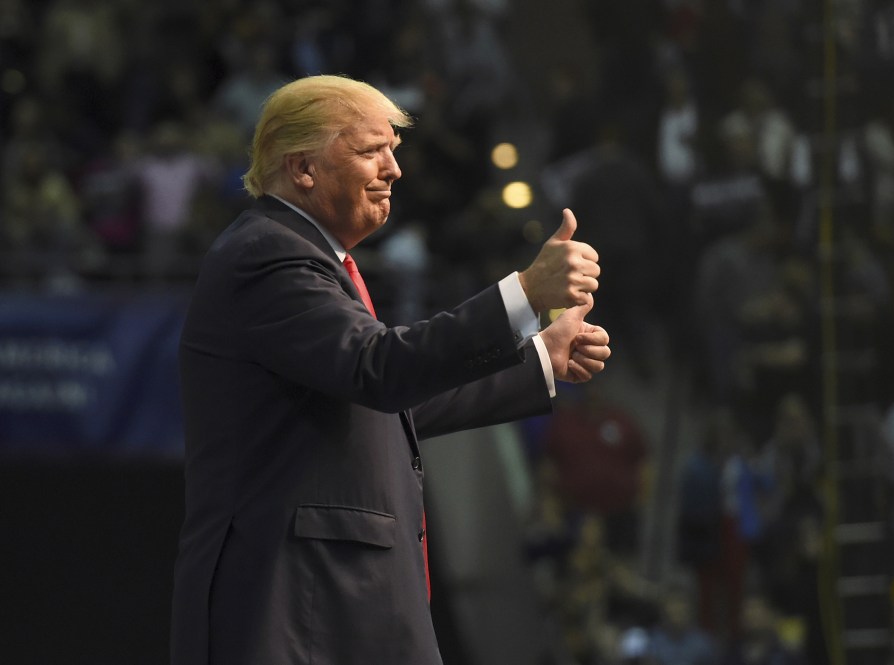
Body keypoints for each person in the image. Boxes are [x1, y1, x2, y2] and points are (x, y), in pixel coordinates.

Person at [169, 74, 612, 665]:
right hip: (295, 613)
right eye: (370, 151)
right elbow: (379, 368)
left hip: (339, 610)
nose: (394, 170)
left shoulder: (312, 259)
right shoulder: (267, 255)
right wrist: (524, 293)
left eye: (393, 151)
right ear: (303, 168)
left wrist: (539, 360)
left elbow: (393, 403)